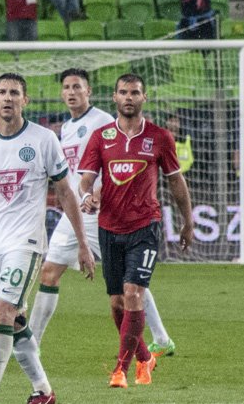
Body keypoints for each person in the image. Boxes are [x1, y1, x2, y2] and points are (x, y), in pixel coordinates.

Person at [0, 73, 95, 404]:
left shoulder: (44, 139)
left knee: (2, 310)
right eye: (1, 92)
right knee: (15, 319)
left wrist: (82, 243)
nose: (7, 98)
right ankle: (43, 391)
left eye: (14, 93)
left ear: (25, 100)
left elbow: (65, 192)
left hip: (26, 242)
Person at [28, 69, 177, 358]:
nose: (72, 92)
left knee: (129, 282)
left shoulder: (103, 121)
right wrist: (81, 195)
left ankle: (160, 337)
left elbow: (118, 162)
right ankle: (30, 343)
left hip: (102, 213)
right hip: (75, 212)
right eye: (67, 87)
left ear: (89, 92)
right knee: (49, 272)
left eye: (78, 87)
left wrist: (95, 195)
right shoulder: (68, 128)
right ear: (62, 94)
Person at [78, 74, 194, 389]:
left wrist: (188, 220)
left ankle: (121, 370)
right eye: (123, 92)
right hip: (109, 227)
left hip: (145, 226)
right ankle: (145, 358)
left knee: (134, 294)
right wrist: (86, 196)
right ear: (114, 97)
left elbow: (175, 181)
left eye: (135, 92)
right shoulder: (101, 137)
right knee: (117, 303)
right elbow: (86, 179)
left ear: (145, 97)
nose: (129, 97)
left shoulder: (160, 137)